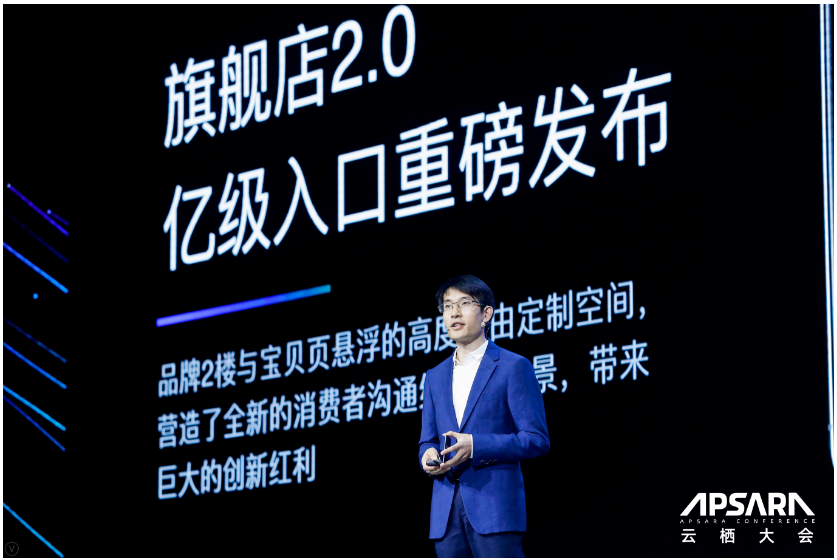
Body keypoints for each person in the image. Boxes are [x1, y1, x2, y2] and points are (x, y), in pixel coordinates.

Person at [418, 275, 550, 558]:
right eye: (447, 306)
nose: (454, 312)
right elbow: (427, 440)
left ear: (486, 314)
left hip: (495, 509)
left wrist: (476, 446)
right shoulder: (434, 376)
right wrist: (427, 456)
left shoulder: (513, 366)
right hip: (445, 515)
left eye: (464, 303)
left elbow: (536, 438)